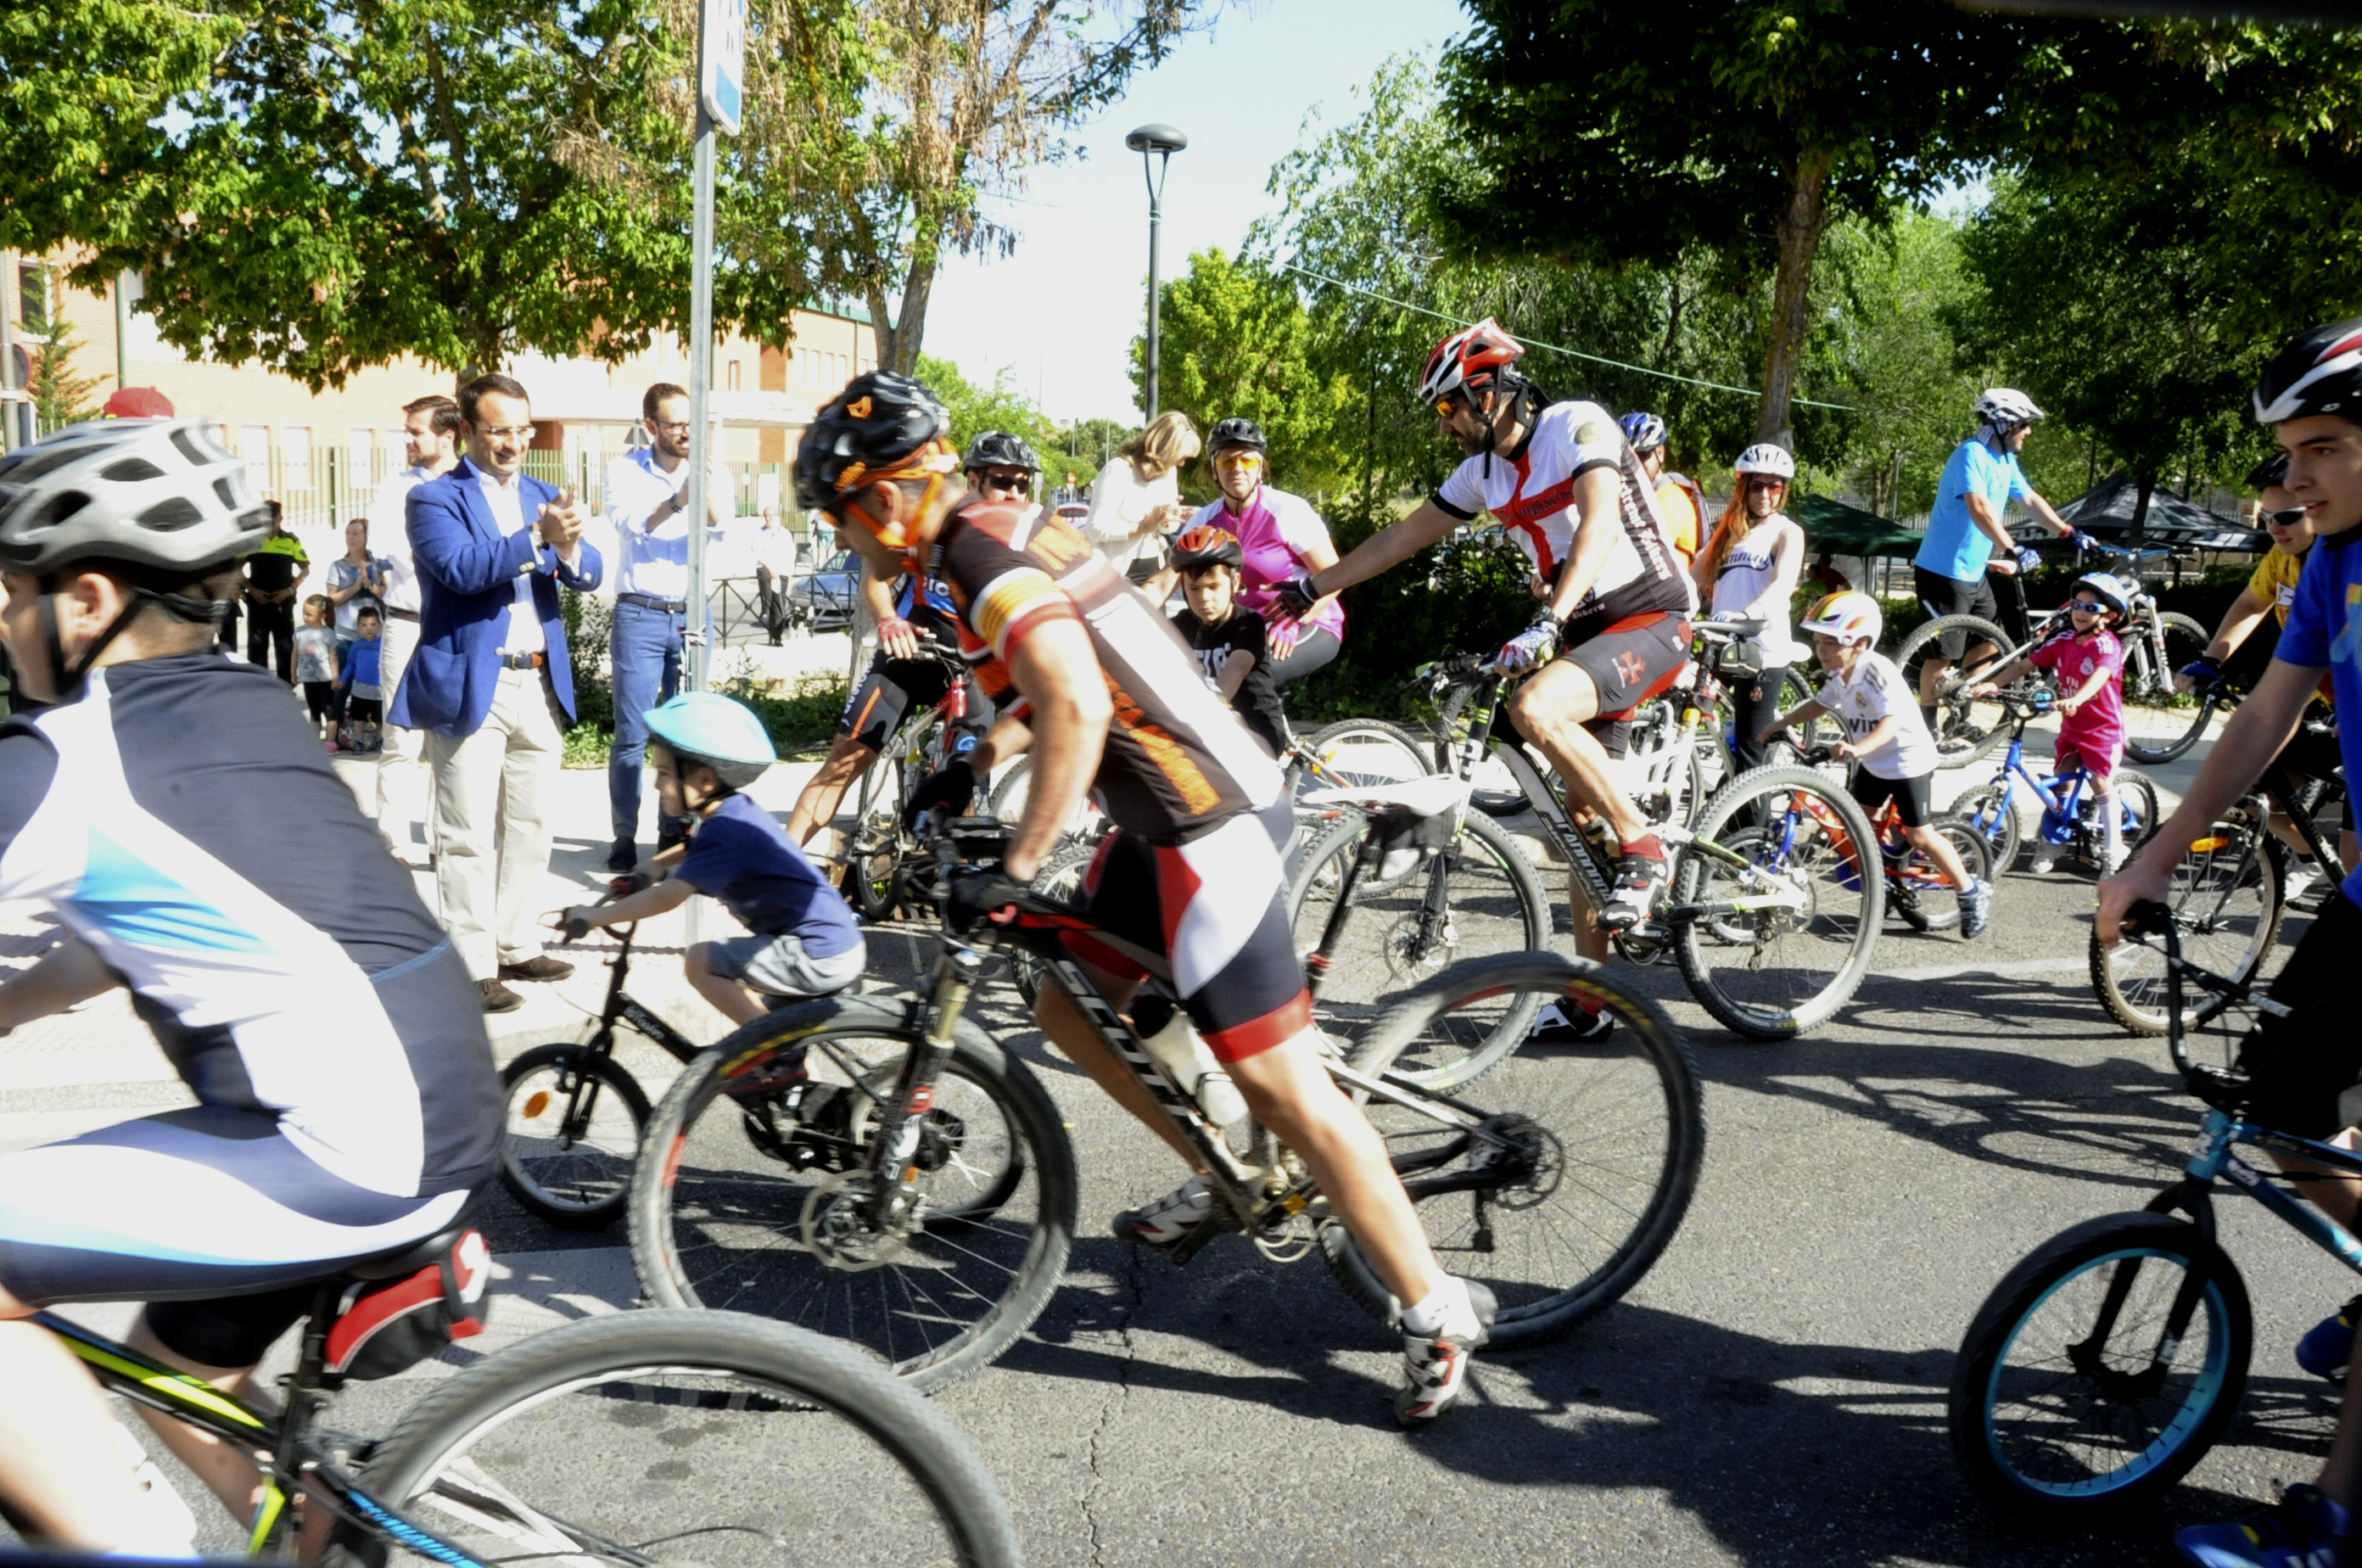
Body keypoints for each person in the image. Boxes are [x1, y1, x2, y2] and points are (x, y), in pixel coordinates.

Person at [796, 370, 1496, 1424]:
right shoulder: (983, 532)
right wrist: (973, 760)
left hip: (1212, 819)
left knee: (1292, 1095)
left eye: (842, 518)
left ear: (883, 499)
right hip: (1161, 814)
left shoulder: (981, 556)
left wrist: (1018, 865)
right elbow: (1057, 686)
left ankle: (1434, 1308)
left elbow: (1075, 707)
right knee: (1068, 1001)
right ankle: (1227, 1168)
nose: (846, 541)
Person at [0, 417, 501, 1554]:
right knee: (182, 1366)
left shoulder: (62, 762)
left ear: (84, 601)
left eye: (8, 587)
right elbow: (146, 922)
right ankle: (338, 1541)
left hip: (348, 1144)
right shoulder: (246, 701)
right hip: (440, 1097)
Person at [2095, 319, 2362, 1568]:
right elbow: (2265, 714)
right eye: (2286, 453)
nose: (2292, 481)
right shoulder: (2331, 565)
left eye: (2326, 447)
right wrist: (2162, 852)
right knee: (2283, 1117)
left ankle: (2330, 1524)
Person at [1279, 318, 1694, 955]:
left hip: (1651, 615)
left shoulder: (1576, 425)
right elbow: (1400, 539)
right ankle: (1589, 1003)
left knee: (1536, 707)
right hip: (1585, 631)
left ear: (1489, 393)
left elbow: (1601, 525)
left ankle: (1644, 843)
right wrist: (1316, 587)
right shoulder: (1483, 474)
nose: (1444, 423)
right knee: (1583, 820)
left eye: (1449, 406)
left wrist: (1549, 620)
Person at [390, 372, 604, 1013]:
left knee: (532, 825)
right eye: (500, 431)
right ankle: (472, 962)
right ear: (466, 431)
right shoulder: (434, 499)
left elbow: (588, 573)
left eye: (522, 429)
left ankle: (515, 943)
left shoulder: (542, 493)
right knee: (464, 833)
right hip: (470, 681)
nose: (514, 443)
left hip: (538, 677)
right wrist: (538, 537)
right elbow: (460, 571)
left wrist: (568, 545)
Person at [780, 432, 1031, 848]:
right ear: (972, 480)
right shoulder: (934, 531)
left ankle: (952, 881)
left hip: (971, 669)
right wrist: (890, 621)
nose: (1013, 493)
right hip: (911, 654)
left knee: (965, 773)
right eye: (1002, 481)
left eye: (1022, 484)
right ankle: (778, 869)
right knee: (842, 765)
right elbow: (875, 580)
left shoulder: (1016, 542)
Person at [559, 692, 864, 1026]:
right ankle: (786, 1066)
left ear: (704, 781)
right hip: (832, 945)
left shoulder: (723, 832)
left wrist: (593, 917)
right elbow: (695, 848)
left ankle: (776, 1057)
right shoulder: (735, 814)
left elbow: (666, 898)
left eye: (663, 772)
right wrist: (656, 865)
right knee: (766, 1020)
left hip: (816, 952)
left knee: (701, 962)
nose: (658, 784)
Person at [1764, 591, 1994, 938]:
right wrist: (1781, 724)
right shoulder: (1839, 674)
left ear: (1861, 643)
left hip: (1907, 760)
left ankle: (1970, 890)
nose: (1822, 651)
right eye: (1818, 642)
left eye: (1831, 643)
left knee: (1920, 835)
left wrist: (1858, 748)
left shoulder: (1876, 671)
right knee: (1860, 828)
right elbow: (1819, 705)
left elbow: (1892, 722)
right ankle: (1884, 884)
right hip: (1873, 761)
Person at [2178, 450, 2354, 901]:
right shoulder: (2283, 560)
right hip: (2319, 703)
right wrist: (2213, 659)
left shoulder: (2345, 563)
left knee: (2356, 857)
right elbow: (2250, 606)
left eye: (2288, 517)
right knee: (2254, 798)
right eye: (2268, 516)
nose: (2275, 527)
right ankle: (2312, 857)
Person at [601, 382, 733, 873]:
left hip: (693, 614)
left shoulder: (710, 471)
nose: (685, 433)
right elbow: (632, 525)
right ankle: (623, 835)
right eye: (676, 424)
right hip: (641, 614)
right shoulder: (625, 470)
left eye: (691, 424)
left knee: (687, 728)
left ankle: (672, 831)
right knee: (633, 732)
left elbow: (722, 528)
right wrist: (679, 500)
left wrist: (705, 487)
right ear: (651, 426)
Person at [1911, 389, 2087, 722]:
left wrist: (2068, 532)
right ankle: (1927, 727)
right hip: (1943, 572)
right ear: (2004, 425)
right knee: (1943, 657)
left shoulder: (2005, 460)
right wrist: (2012, 546)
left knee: (1991, 641)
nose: (2029, 431)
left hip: (1974, 573)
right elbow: (1978, 507)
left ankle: (1959, 715)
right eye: (2023, 425)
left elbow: (2030, 500)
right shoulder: (1970, 454)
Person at [1973, 573, 2133, 874]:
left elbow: (2100, 677)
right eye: (2077, 605)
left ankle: (2114, 850)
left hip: (2102, 729)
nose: (2080, 612)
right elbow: (2025, 664)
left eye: (2090, 608)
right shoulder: (2063, 641)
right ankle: (2053, 842)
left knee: (2101, 783)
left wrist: (2077, 698)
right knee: (2062, 778)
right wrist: (1994, 684)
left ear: (2109, 617)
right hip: (2073, 727)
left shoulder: (2107, 647)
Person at [1181, 417, 1346, 687]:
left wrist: (1296, 619)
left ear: (1260, 467)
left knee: (1248, 677)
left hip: (1308, 621)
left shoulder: (1287, 511)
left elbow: (1335, 576)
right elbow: (1170, 580)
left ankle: (1269, 732)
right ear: (1213, 470)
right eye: (1226, 462)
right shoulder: (1203, 521)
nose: (1237, 469)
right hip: (1245, 629)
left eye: (1247, 461)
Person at [372, 394, 462, 867]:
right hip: (407, 624)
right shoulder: (395, 489)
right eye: (407, 431)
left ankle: (442, 839)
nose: (408, 439)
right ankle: (393, 841)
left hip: (456, 628)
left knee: (447, 739)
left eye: (416, 431)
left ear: (447, 435)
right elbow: (395, 550)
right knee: (400, 740)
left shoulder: (471, 486)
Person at [1693, 443, 1805, 776]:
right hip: (1722, 645)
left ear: (1783, 491)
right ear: (1744, 487)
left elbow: (1783, 583)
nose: (1766, 494)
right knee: (1688, 711)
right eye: (1758, 485)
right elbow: (1692, 577)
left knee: (1750, 754)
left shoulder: (1787, 532)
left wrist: (1749, 614)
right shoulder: (1728, 531)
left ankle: (1756, 827)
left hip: (1761, 651)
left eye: (1774, 486)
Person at [1167, 524, 1287, 757]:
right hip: (1214, 733)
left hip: (1256, 730)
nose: (1204, 598)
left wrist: (1200, 720)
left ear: (1234, 582)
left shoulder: (1248, 623)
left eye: (1213, 587)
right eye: (1194, 589)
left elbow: (1238, 666)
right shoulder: (1182, 624)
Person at [1083, 410, 1198, 584]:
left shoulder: (1169, 472)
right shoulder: (1119, 470)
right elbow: (1094, 529)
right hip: (1117, 576)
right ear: (1166, 450)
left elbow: (1168, 529)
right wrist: (1142, 526)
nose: (1182, 464)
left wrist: (1166, 519)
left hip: (1155, 568)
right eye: (1181, 457)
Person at [323, 516, 389, 735]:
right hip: (345, 635)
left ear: (366, 537)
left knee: (373, 683)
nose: (351, 538)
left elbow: (388, 595)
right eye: (348, 533)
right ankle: (336, 732)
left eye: (356, 533)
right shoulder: (338, 566)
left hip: (372, 636)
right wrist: (354, 587)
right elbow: (330, 600)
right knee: (343, 683)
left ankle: (372, 730)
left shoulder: (378, 565)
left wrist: (371, 586)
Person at [1621, 412, 1707, 568]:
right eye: (1627, 458)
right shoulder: (1640, 495)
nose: (1635, 464)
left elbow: (1639, 552)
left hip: (1667, 590)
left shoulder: (1671, 497)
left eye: (1642, 455)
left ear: (1660, 453)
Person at [242, 499, 307, 684]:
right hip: (257, 602)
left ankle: (287, 688)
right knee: (256, 649)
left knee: (285, 647)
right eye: (266, 518)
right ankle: (258, 688)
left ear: (281, 517)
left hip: (283, 603)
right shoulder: (252, 541)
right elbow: (236, 569)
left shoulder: (290, 540)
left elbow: (305, 569)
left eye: (273, 517)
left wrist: (290, 590)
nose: (270, 521)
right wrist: (251, 590)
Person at [339, 606, 387, 753]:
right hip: (359, 689)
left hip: (379, 689)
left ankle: (381, 741)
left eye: (373, 624)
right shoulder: (356, 645)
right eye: (364, 625)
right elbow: (350, 665)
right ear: (358, 627)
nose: (369, 629)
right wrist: (342, 679)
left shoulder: (383, 644)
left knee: (380, 719)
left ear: (379, 625)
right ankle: (358, 742)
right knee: (359, 718)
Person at [294, 592, 339, 747]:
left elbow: (333, 658)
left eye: (309, 614)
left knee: (329, 709)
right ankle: (314, 742)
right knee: (314, 711)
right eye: (304, 613)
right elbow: (295, 653)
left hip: (325, 679)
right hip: (308, 678)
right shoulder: (300, 632)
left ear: (322, 615)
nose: (305, 617)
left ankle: (331, 741)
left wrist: (335, 677)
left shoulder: (328, 634)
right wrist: (293, 672)